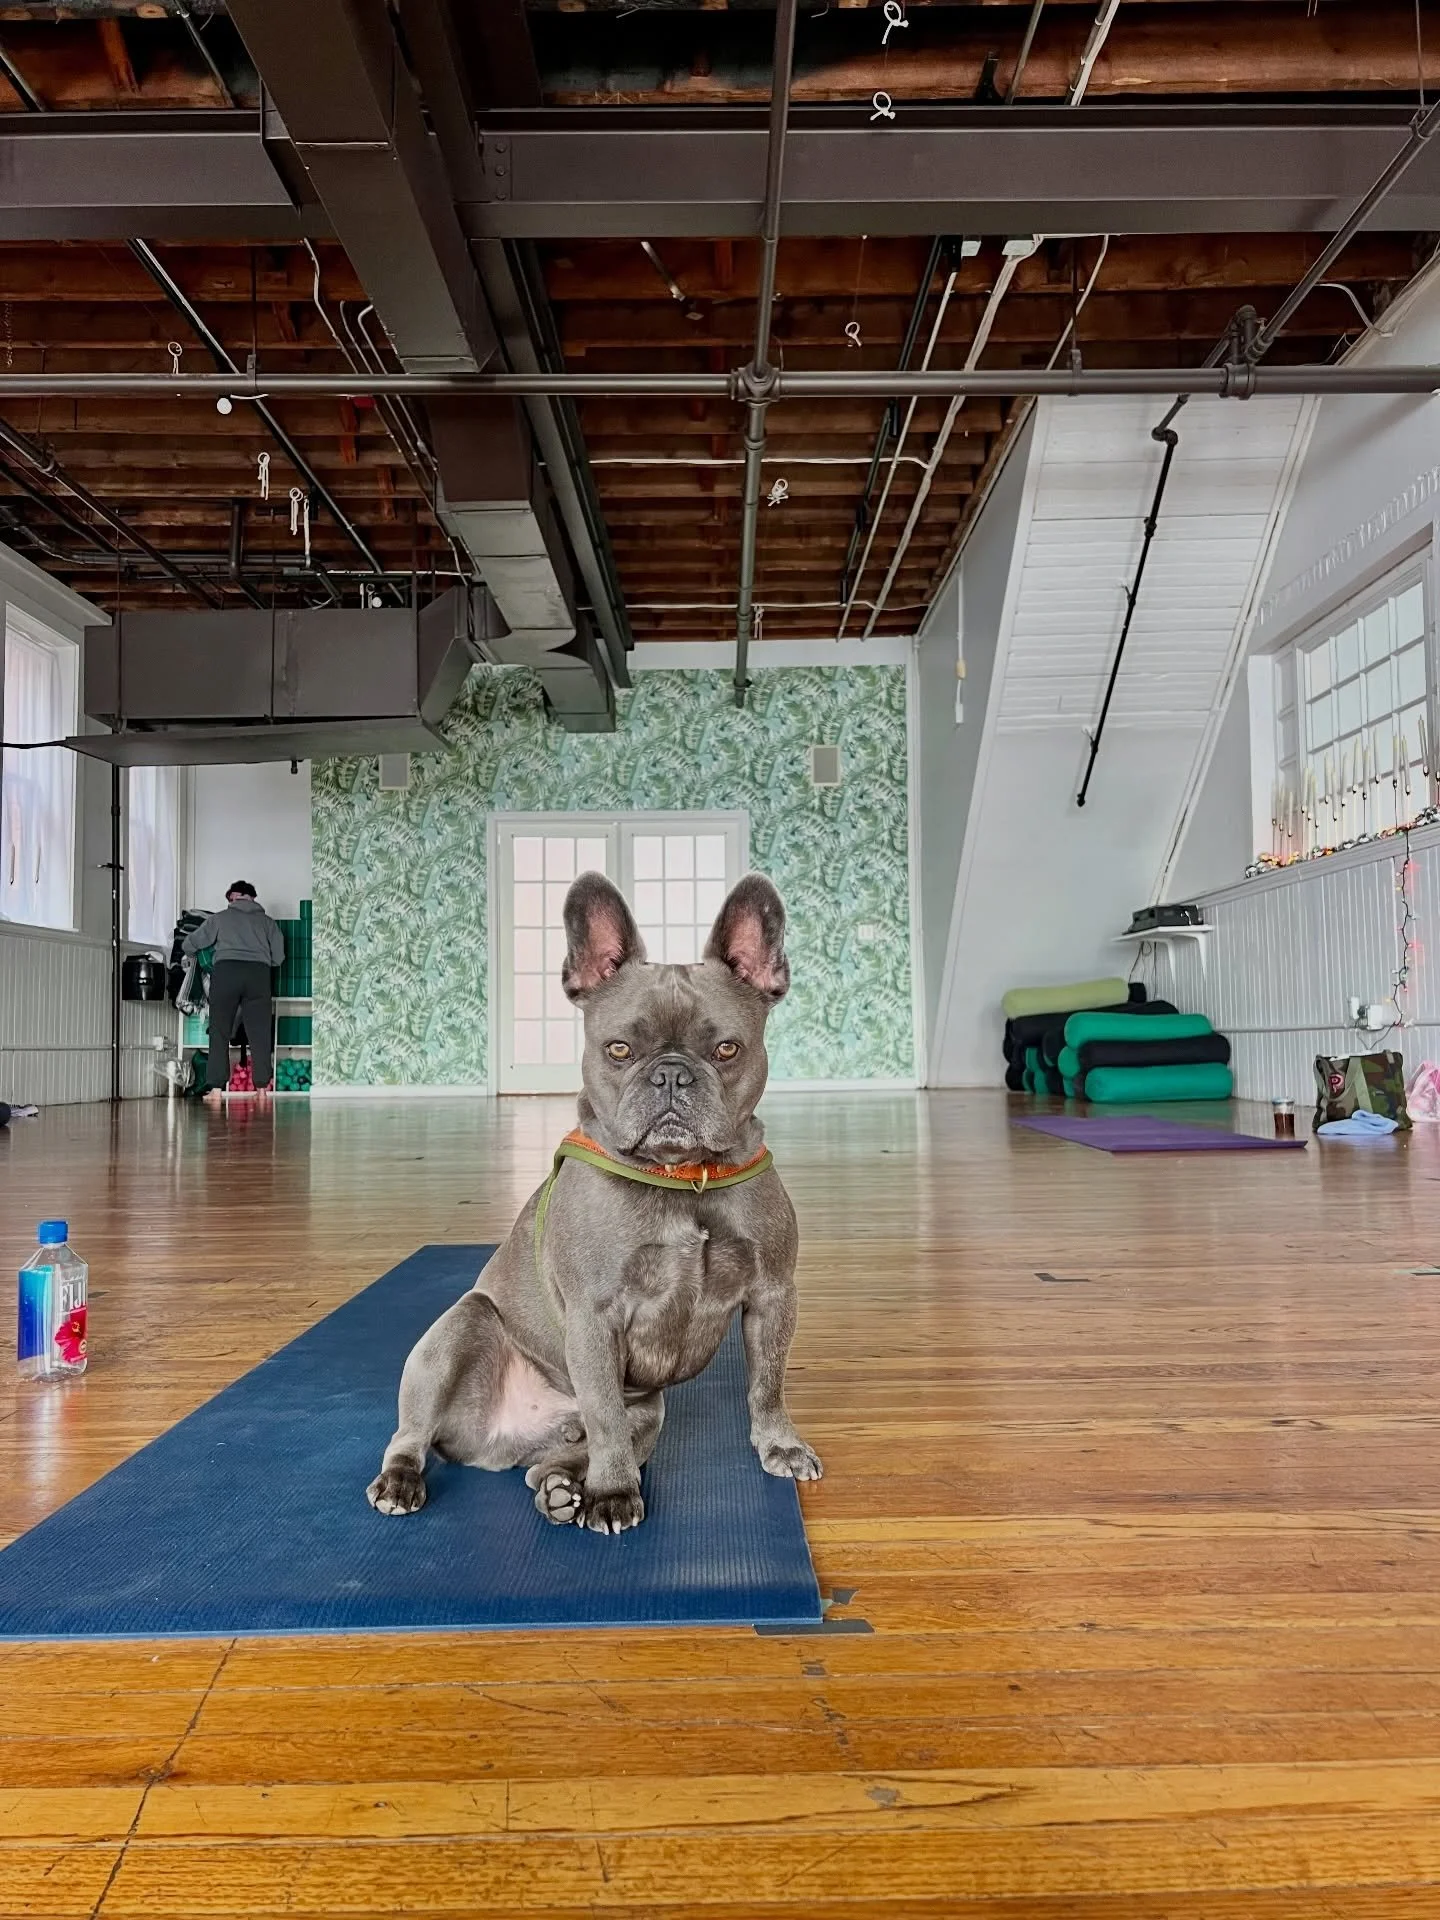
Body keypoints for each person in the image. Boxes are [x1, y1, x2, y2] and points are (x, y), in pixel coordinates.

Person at [181, 881, 285, 1104]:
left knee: (219, 1030)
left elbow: (190, 944)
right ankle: (262, 1090)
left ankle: (216, 1090)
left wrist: (195, 953)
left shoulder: (219, 919)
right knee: (260, 1033)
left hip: (226, 973)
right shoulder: (268, 923)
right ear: (253, 898)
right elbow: (278, 958)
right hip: (258, 976)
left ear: (234, 897)